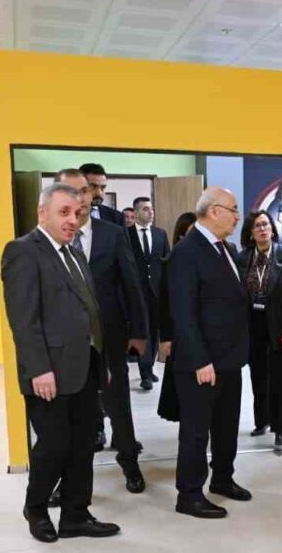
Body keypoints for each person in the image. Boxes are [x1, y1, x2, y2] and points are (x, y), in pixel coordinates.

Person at [1, 182, 120, 543]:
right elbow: (24, 320)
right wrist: (39, 368)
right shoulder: (24, 252)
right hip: (48, 373)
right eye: (64, 212)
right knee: (54, 446)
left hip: (84, 368)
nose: (72, 220)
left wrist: (101, 360)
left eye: (77, 213)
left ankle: (75, 515)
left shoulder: (74, 253)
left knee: (83, 445)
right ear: (43, 213)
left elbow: (89, 313)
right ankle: (36, 508)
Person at [56, 169, 149, 494]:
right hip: (68, 340)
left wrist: (139, 331)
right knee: (71, 412)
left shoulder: (113, 233)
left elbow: (131, 284)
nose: (83, 198)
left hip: (109, 335)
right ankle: (66, 478)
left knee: (118, 402)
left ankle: (130, 462)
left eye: (87, 191)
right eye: (75, 192)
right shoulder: (52, 236)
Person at [168, 187, 251, 519]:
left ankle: (222, 479)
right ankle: (189, 494)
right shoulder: (187, 252)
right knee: (196, 431)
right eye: (233, 209)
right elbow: (183, 312)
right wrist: (200, 359)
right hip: (201, 362)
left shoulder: (225, 248)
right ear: (214, 211)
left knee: (227, 425)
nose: (238, 216)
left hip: (229, 358)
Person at [239, 210, 282, 447]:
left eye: (266, 224)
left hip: (279, 325)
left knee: (280, 378)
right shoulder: (243, 258)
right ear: (251, 233)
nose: (263, 229)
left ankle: (280, 428)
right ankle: (262, 420)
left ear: (272, 230)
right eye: (257, 226)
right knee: (258, 375)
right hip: (252, 324)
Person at [156, 211, 197, 424]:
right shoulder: (171, 262)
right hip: (179, 333)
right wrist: (166, 338)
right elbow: (164, 304)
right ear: (181, 235)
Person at [128, 196, 171, 391]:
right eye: (145, 209)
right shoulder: (126, 234)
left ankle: (150, 367)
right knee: (142, 332)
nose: (150, 212)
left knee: (154, 331)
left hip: (157, 292)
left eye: (151, 209)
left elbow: (166, 262)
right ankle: (144, 372)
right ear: (136, 212)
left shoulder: (160, 234)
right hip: (137, 292)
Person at [79, 162, 125, 226]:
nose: (99, 193)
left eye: (103, 187)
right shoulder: (66, 214)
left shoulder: (117, 217)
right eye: (93, 186)